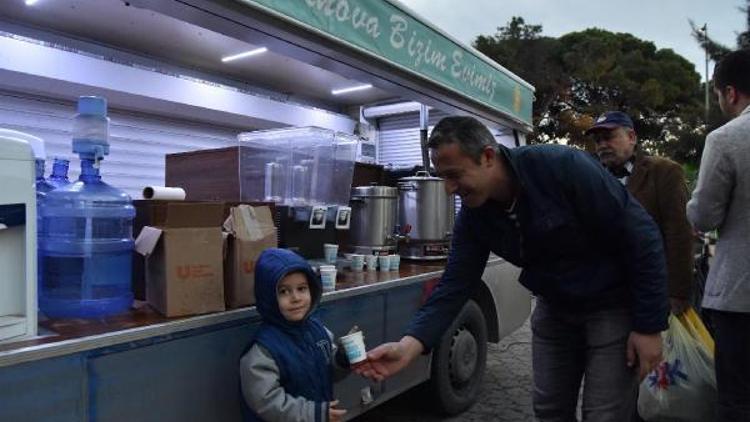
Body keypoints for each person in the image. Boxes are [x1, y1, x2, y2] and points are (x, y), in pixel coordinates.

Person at [356, 116, 669, 421]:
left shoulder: (563, 167)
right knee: (548, 409)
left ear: (488, 156)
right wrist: (409, 347)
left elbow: (643, 237)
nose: (449, 189)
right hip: (555, 307)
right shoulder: (475, 216)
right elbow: (455, 285)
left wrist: (649, 326)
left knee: (604, 413)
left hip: (610, 305)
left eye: (454, 175)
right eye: (443, 178)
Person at [686, 49, 750, 422]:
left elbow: (704, 214)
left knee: (738, 400)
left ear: (730, 92)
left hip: (740, 297)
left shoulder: (727, 139)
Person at [587, 111, 694, 316]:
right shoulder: (591, 175)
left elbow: (679, 234)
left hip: (651, 292)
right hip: (603, 296)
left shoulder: (664, 172)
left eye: (608, 137)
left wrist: (677, 293)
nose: (601, 145)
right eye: (597, 140)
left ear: (632, 137)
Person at [240, 248, 347, 422]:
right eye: (284, 291)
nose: (296, 298)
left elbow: (328, 371)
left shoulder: (318, 331)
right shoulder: (264, 349)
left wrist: (342, 359)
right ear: (268, 298)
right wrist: (312, 414)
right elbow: (266, 401)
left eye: (301, 288)